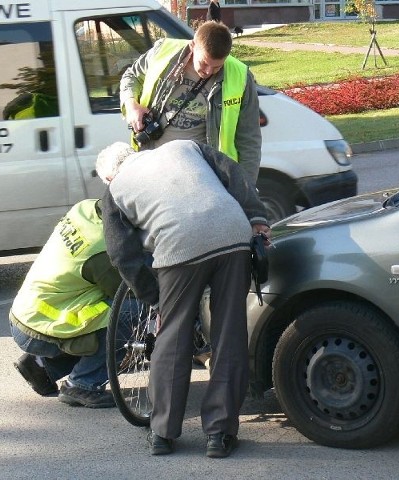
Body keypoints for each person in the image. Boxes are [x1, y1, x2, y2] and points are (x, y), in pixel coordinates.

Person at [97, 140, 270, 458]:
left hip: (178, 246)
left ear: (109, 176)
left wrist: (154, 298)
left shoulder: (115, 190)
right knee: (229, 334)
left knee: (172, 337)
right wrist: (257, 217)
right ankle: (220, 435)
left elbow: (121, 254)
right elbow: (233, 172)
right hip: (233, 234)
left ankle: (162, 433)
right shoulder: (185, 147)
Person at [9, 199, 122, 408]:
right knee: (131, 313)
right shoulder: (104, 250)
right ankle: (82, 385)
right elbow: (130, 290)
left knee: (106, 314)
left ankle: (42, 367)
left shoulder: (86, 208)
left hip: (25, 314)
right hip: (43, 329)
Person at [119, 20, 261, 184]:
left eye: (216, 67)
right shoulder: (163, 52)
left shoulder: (241, 76)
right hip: (154, 167)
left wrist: (247, 188)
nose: (208, 72)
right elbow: (132, 76)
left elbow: (249, 140)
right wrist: (131, 106)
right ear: (193, 46)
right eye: (204, 63)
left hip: (203, 176)